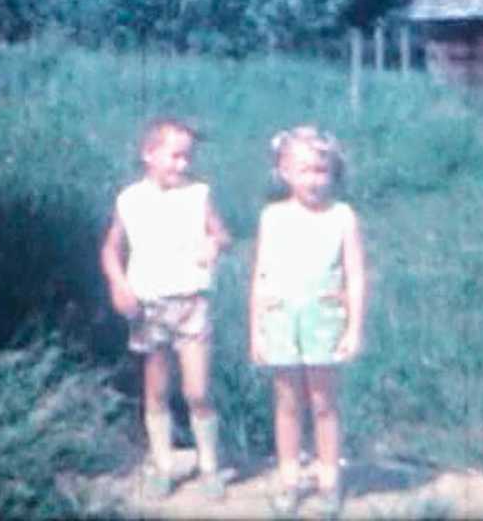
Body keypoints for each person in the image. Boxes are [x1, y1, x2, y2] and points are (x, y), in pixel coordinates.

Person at [101, 117, 231, 501]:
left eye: (188, 157)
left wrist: (214, 245)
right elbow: (111, 248)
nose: (183, 165)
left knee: (197, 390)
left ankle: (209, 465)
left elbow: (221, 233)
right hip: (149, 305)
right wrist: (118, 284)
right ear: (149, 154)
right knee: (156, 389)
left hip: (192, 302)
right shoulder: (129, 200)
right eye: (175, 156)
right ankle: (162, 463)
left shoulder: (199, 195)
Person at [249, 125, 368, 518]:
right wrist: (256, 332)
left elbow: (355, 276)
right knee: (286, 402)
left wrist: (353, 328)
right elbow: (261, 276)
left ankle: (328, 479)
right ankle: (289, 479)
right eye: (304, 170)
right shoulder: (273, 216)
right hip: (282, 319)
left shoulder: (342, 216)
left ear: (333, 173)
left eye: (322, 171)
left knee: (323, 403)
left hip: (324, 320)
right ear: (284, 172)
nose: (314, 180)